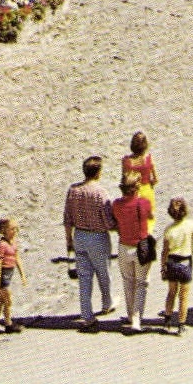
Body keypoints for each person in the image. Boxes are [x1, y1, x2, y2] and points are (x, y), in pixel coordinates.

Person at [65, 155, 117, 329]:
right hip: (97, 237)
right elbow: (108, 220)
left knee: (84, 277)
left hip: (79, 235)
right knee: (103, 273)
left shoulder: (73, 190)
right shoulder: (100, 192)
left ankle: (87, 314)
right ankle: (106, 303)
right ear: (98, 172)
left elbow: (67, 218)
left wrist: (69, 241)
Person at [111, 173, 155, 332]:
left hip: (124, 246)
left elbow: (115, 222)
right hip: (140, 246)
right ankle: (136, 319)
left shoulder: (116, 204)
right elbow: (150, 216)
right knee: (141, 283)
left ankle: (130, 315)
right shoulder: (143, 203)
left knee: (128, 281)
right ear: (137, 187)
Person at [159, 198, 193, 334]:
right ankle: (181, 325)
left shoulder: (169, 229)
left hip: (172, 262)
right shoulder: (191, 225)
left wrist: (163, 266)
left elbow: (165, 251)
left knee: (171, 293)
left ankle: (167, 321)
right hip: (185, 262)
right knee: (184, 295)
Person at [0, 217, 26, 341]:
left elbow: (17, 258)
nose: (15, 231)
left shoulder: (13, 242)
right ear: (4, 230)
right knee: (4, 301)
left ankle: (5, 323)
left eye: (15, 229)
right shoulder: (1, 245)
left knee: (3, 302)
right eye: (12, 229)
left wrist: (22, 274)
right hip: (2, 276)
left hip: (9, 274)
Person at [122, 132, 158, 223]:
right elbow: (155, 179)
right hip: (147, 191)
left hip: (132, 191)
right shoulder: (148, 159)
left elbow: (124, 179)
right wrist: (151, 184)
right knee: (149, 221)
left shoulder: (126, 161)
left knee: (134, 220)